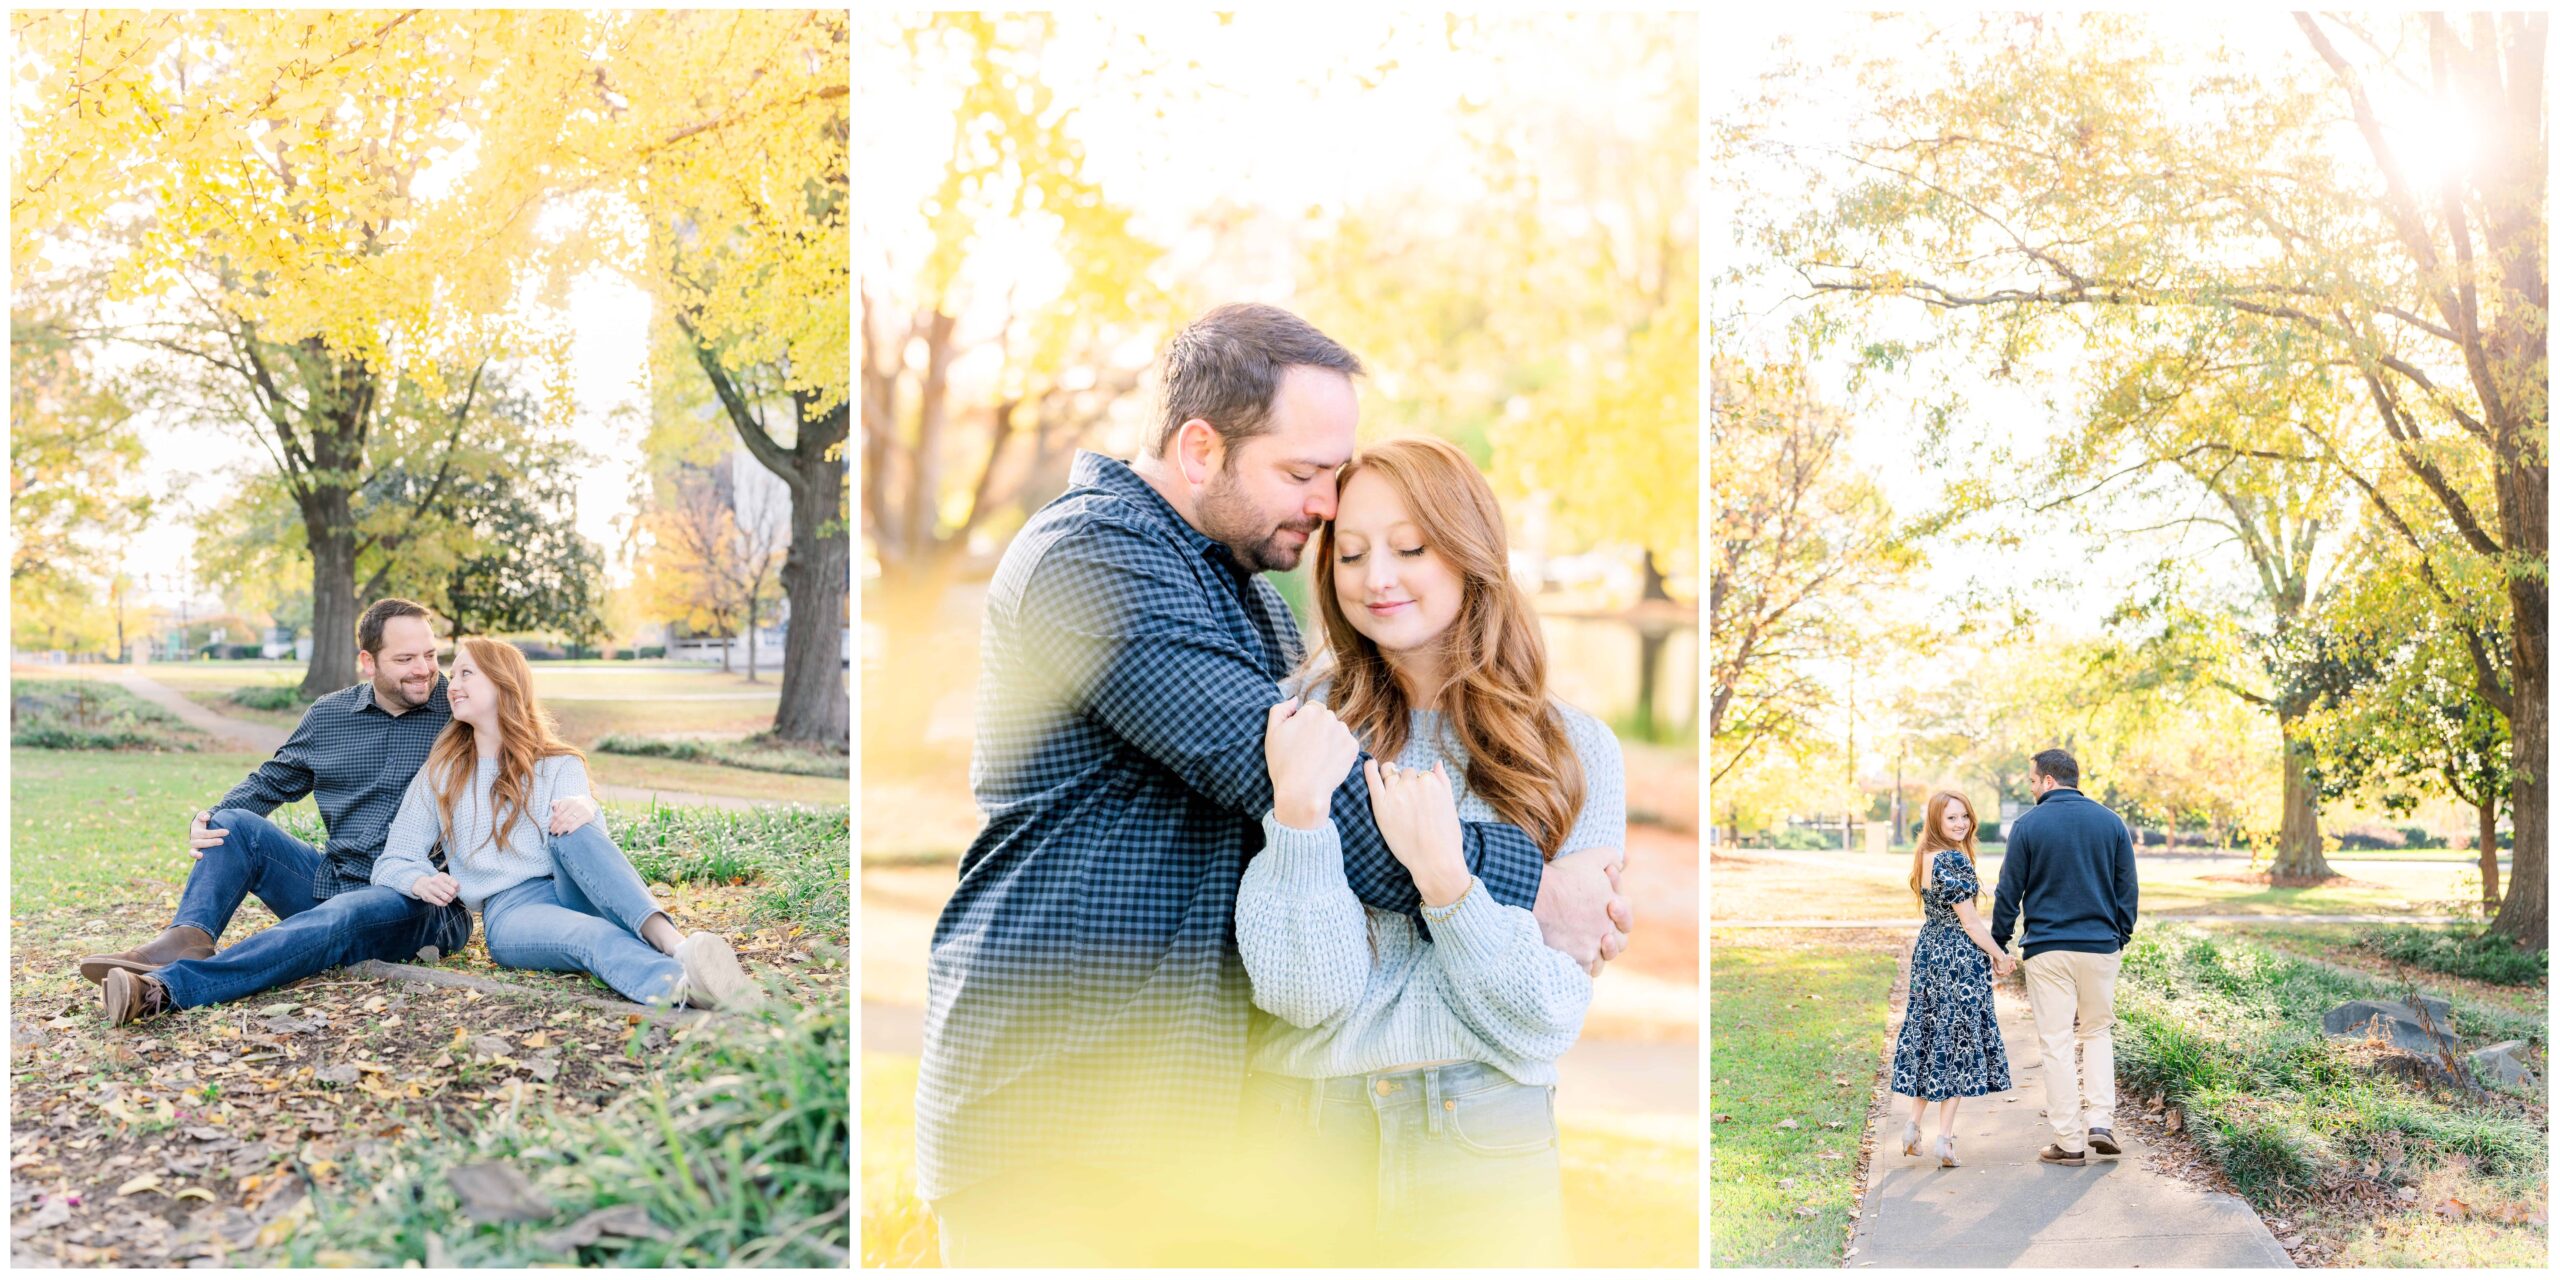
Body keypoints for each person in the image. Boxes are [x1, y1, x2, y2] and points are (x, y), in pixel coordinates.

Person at [916, 304, 1633, 1267]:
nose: (1328, 506)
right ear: (1200, 449)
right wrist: (1533, 882)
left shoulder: (1246, 592)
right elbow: (1296, 785)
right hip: (1059, 1104)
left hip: (1185, 1134)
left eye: (1333, 474)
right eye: (1302, 475)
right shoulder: (1093, 559)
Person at [1233, 436, 1624, 1266]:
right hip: (1309, 1134)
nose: (1378, 578)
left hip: (1484, 1141)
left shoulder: (1573, 751)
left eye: (1410, 548)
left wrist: (1446, 879)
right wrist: (1301, 814)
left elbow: (1545, 1014)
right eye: (1352, 553)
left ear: (1470, 551)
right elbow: (1306, 995)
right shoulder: (1299, 724)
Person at [79, 600, 590, 1024]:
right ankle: (186, 938)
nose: (426, 671)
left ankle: (165, 991)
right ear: (367, 662)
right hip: (330, 880)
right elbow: (271, 782)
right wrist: (210, 816)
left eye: (431, 655)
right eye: (406, 659)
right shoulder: (329, 716)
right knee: (236, 827)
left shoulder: (458, 710)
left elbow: (530, 745)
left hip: (423, 902)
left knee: (344, 916)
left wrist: (578, 802)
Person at [370, 637, 760, 1010]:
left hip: (575, 886)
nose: (452, 685)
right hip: (512, 912)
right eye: (452, 675)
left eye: (466, 674)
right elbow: (392, 861)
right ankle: (684, 986)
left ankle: (676, 945)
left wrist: (585, 808)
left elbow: (590, 851)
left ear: (503, 683)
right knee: (592, 936)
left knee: (574, 823)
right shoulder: (442, 774)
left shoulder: (559, 763)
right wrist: (419, 880)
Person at [1991, 748, 2140, 1166]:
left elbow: (2009, 890)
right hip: (2099, 946)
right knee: (2097, 1033)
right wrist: (2119, 934)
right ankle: (2101, 1122)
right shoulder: (2111, 823)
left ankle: (2069, 1142)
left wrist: (1998, 941)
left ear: (2050, 780)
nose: (2032, 788)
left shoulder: (2027, 826)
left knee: (2056, 1042)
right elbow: (2127, 887)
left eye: (2033, 781)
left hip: (2048, 948)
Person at [1887, 790, 2014, 1167]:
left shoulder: (1925, 856)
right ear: (1937, 822)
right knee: (1957, 1040)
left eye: (1964, 817)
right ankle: (1944, 1138)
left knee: (1931, 1035)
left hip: (1930, 952)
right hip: (1958, 958)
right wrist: (1999, 954)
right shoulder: (1953, 861)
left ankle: (1912, 1127)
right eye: (1951, 819)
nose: (1960, 824)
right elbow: (1971, 922)